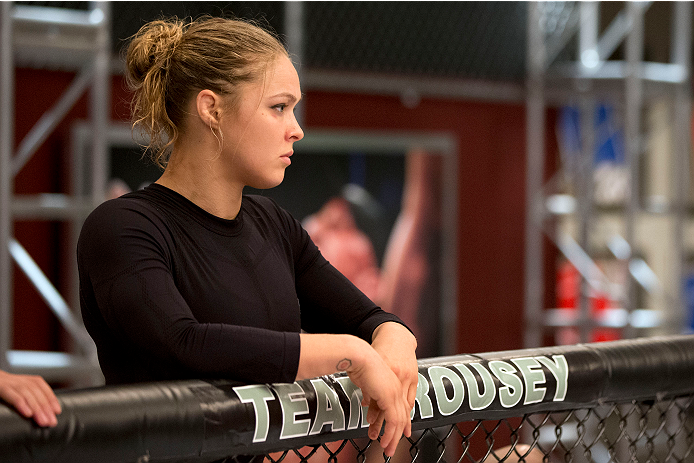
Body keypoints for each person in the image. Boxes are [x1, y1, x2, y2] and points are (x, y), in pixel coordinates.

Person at [76, 16, 418, 458]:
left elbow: (364, 318)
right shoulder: (123, 227)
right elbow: (179, 345)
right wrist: (350, 353)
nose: (296, 128)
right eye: (279, 107)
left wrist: (394, 335)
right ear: (211, 109)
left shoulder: (272, 224)